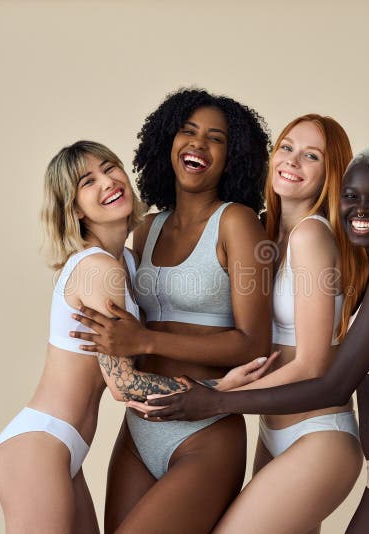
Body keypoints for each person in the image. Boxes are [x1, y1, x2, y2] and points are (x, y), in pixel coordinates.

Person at [133, 146, 369, 534]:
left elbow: (334, 384)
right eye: (351, 198)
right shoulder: (368, 267)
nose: (362, 209)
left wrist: (216, 401)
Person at [0, 140, 271, 534]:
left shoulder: (126, 259)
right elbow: (124, 386)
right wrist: (220, 388)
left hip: (62, 449)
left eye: (110, 167)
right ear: (74, 209)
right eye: (88, 181)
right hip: (37, 447)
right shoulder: (99, 269)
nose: (108, 182)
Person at [68, 88, 274, 533]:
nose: (198, 143)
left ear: (233, 156)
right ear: (168, 142)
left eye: (215, 138)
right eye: (188, 131)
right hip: (139, 432)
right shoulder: (146, 229)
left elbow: (254, 343)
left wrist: (146, 340)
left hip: (204, 432)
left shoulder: (238, 222)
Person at [205, 114, 368, 534]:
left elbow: (312, 365)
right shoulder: (268, 232)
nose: (292, 160)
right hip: (273, 432)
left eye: (311, 155)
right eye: (287, 147)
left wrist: (220, 398)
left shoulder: (311, 236)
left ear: (329, 175)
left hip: (317, 437)